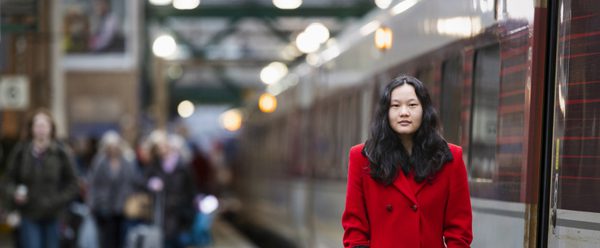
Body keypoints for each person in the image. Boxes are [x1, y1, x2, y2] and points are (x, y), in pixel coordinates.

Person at [341, 75, 472, 248]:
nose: (404, 112)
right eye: (395, 106)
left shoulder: (450, 158)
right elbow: (355, 228)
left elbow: (459, 232)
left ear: (425, 110)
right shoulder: (362, 157)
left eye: (412, 105)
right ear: (385, 112)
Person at [1, 109, 79, 248]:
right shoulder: (21, 151)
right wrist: (14, 193)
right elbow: (8, 180)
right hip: (29, 213)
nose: (41, 129)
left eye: (44, 125)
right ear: (31, 129)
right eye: (38, 125)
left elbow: (73, 184)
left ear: (51, 128)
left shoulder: (61, 153)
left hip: (53, 215)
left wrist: (57, 200)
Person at [87, 130, 140, 248]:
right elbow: (93, 184)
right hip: (104, 207)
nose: (113, 149)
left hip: (123, 206)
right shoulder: (100, 162)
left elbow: (134, 181)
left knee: (122, 239)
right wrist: (93, 204)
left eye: (115, 145)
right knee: (106, 239)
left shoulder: (126, 161)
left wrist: (130, 196)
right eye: (110, 146)